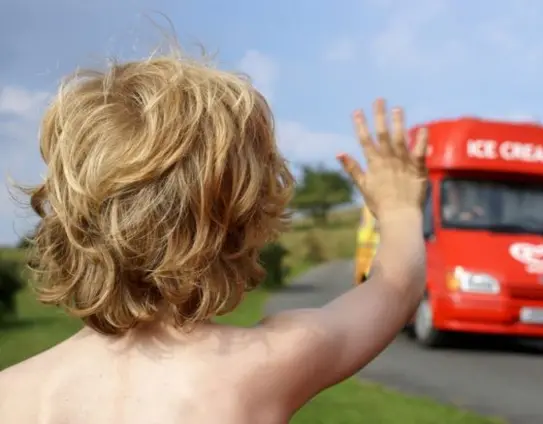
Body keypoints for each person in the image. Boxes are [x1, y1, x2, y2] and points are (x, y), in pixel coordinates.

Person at [0, 52, 428, 424]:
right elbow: (397, 286)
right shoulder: (263, 366)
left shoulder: (12, 393)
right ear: (241, 224)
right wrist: (399, 208)